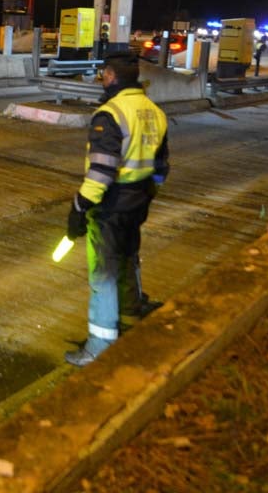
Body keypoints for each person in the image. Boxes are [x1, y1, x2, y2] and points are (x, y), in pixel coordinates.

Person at [64, 53, 169, 367]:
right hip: (139, 199)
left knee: (104, 273)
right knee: (127, 256)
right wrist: (149, 193)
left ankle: (100, 344)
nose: (102, 80)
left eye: (104, 75)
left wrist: (80, 207)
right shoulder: (154, 111)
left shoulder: (110, 114)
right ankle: (132, 306)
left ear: (112, 75)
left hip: (110, 204)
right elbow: (162, 165)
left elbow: (101, 172)